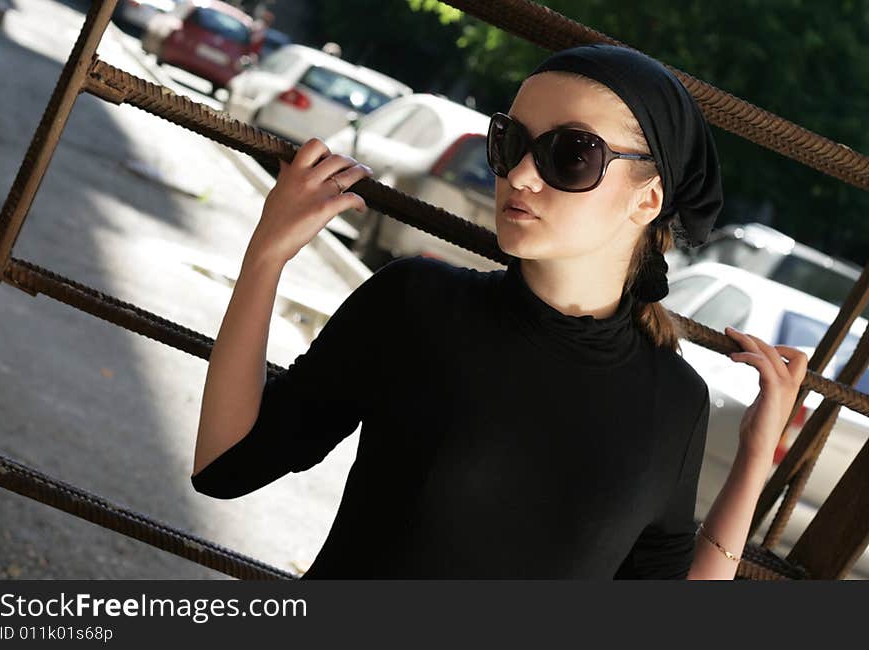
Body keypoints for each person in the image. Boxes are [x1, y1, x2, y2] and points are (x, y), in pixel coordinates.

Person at [190, 44, 809, 579]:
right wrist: (266, 256)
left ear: (647, 198)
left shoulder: (674, 401)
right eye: (510, 141)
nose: (518, 174)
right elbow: (227, 465)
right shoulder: (416, 304)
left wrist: (755, 457)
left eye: (569, 155)